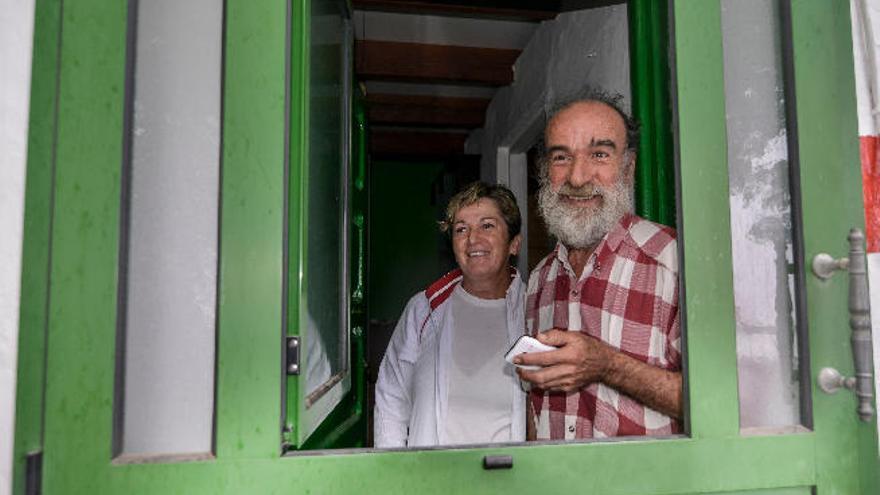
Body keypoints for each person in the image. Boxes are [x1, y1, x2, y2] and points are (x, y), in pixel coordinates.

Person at [514, 90, 682, 440]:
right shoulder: (539, 279)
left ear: (629, 167)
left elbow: (722, 402)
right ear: (545, 170)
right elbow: (536, 404)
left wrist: (607, 365)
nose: (577, 178)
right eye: (561, 157)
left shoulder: (675, 262)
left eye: (599, 154)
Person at [374, 182, 527, 447]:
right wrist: (395, 473)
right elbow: (391, 397)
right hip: (432, 482)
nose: (473, 239)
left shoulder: (535, 309)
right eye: (461, 229)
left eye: (487, 226)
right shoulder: (424, 309)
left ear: (514, 244)